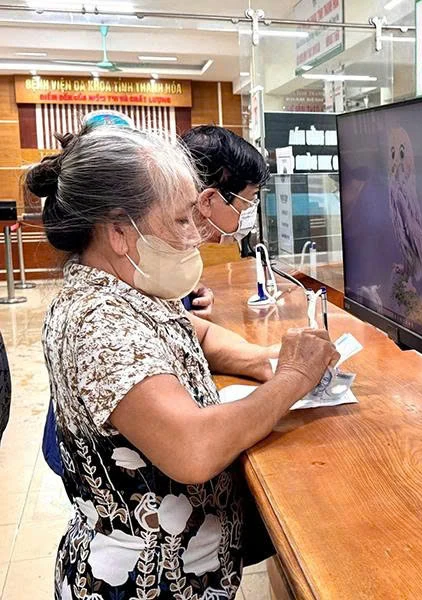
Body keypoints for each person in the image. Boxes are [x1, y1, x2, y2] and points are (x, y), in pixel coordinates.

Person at [31, 126, 338, 599]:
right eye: (179, 221)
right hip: (143, 584)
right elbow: (193, 449)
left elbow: (198, 334)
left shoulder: (131, 289)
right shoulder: (100, 321)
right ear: (118, 232)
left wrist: (266, 362)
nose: (195, 235)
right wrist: (293, 378)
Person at [180, 125, 269, 317]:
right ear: (207, 200)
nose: (250, 211)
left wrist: (189, 289)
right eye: (249, 201)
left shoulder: (179, 257)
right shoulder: (151, 265)